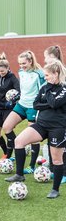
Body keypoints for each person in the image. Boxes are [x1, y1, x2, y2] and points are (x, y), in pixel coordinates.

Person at [5, 59, 66, 199]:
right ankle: (19, 175)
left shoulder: (63, 88)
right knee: (19, 141)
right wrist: (49, 101)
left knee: (56, 160)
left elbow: (55, 102)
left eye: (47, 75)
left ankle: (55, 190)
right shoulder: (44, 87)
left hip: (57, 127)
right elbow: (36, 104)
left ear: (56, 74)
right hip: (41, 124)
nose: (45, 78)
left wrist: (49, 94)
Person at [2, 50, 45, 174]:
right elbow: (24, 90)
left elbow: (43, 91)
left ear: (30, 61)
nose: (21, 66)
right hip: (21, 105)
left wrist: (39, 105)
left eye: (24, 63)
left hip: (33, 107)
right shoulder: (21, 72)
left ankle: (31, 166)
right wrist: (16, 97)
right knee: (7, 127)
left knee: (33, 138)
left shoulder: (39, 74)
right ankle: (19, 147)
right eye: (20, 63)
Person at [0, 53, 20, 160]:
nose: (1, 73)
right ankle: (6, 152)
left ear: (8, 68)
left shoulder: (12, 78)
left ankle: (11, 154)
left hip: (9, 109)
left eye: (2, 70)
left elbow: (18, 91)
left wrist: (12, 102)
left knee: (8, 131)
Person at [44, 45, 66, 183]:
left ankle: (63, 172)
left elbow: (57, 100)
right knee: (51, 142)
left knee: (62, 145)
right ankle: (53, 169)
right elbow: (42, 99)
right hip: (50, 116)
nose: (45, 59)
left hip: (61, 116)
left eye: (47, 56)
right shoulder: (47, 72)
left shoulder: (62, 74)